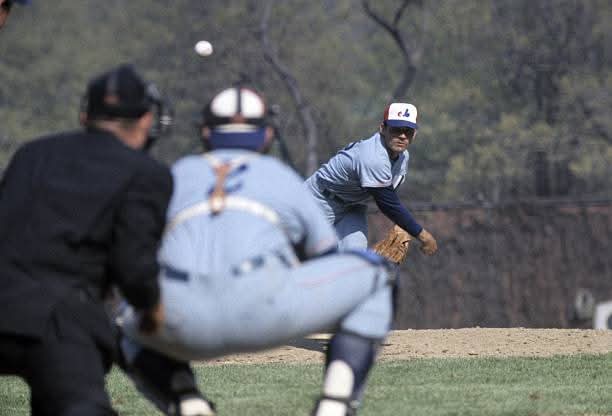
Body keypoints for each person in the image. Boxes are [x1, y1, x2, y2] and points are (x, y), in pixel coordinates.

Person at [117, 85, 398, 416]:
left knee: (123, 322)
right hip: (266, 312)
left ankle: (185, 400)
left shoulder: (178, 173)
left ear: (206, 133)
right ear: (267, 135)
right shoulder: (279, 176)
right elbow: (325, 258)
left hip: (183, 320)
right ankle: (335, 404)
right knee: (379, 275)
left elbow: (136, 253)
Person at [0, 64, 173, 416]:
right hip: (60, 319)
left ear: (85, 114)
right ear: (144, 120)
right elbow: (134, 268)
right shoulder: (146, 173)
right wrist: (153, 309)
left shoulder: (31, 154)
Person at [305, 102, 438, 256]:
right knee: (296, 254)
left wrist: (404, 223)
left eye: (407, 131)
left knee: (354, 259)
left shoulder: (403, 157)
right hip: (319, 200)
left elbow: (390, 196)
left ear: (414, 134)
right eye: (396, 130)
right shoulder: (372, 156)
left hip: (353, 207)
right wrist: (422, 235)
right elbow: (387, 203)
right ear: (382, 128)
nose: (402, 136)